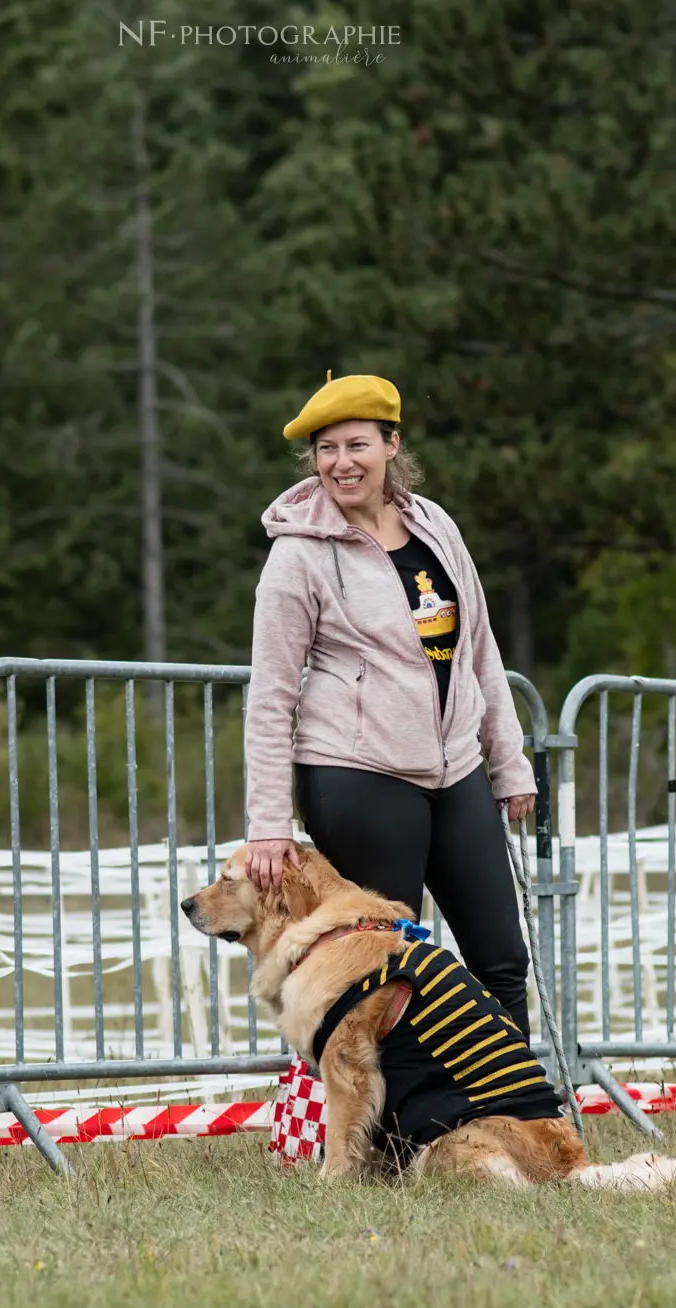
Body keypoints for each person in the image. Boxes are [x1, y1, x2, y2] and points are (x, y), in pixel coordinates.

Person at [245, 371, 541, 1034]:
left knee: (500, 958)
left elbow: (480, 650)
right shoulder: (297, 557)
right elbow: (270, 694)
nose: (342, 462)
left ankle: (520, 1116)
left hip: (456, 769)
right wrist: (267, 821)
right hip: (358, 779)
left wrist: (509, 759)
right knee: (386, 970)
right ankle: (400, 1130)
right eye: (326, 449)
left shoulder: (435, 525)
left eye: (357, 445)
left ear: (391, 445)